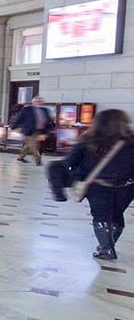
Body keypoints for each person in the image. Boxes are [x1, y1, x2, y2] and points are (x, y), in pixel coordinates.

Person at [49, 109, 134, 260]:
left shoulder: (88, 141)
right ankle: (108, 244)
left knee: (101, 215)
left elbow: (68, 163)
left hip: (98, 186)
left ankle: (107, 248)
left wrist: (60, 187)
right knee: (116, 214)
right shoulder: (131, 142)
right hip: (127, 188)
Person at [11, 96, 54, 165]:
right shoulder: (27, 109)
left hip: (40, 131)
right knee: (34, 146)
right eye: (37, 101)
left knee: (29, 145)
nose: (39, 103)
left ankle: (20, 157)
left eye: (40, 101)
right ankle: (38, 161)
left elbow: (49, 121)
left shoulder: (45, 110)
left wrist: (51, 129)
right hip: (29, 131)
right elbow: (19, 118)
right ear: (33, 102)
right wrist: (13, 127)